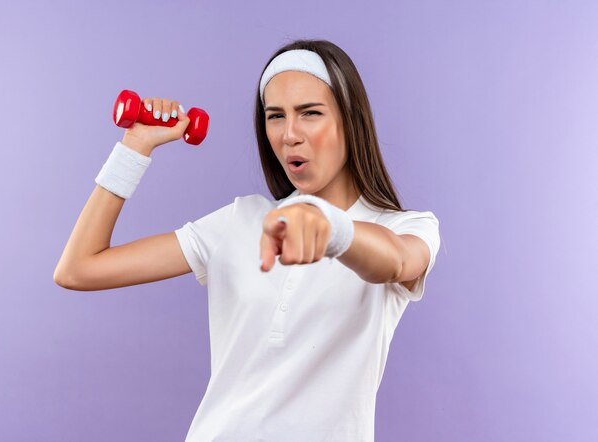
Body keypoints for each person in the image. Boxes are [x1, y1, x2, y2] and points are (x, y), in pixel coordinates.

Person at [54, 39, 440, 441]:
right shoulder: (240, 221)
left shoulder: (406, 227)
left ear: (349, 119)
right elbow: (79, 268)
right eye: (276, 116)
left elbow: (397, 261)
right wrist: (134, 148)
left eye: (310, 113)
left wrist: (331, 228)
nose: (290, 134)